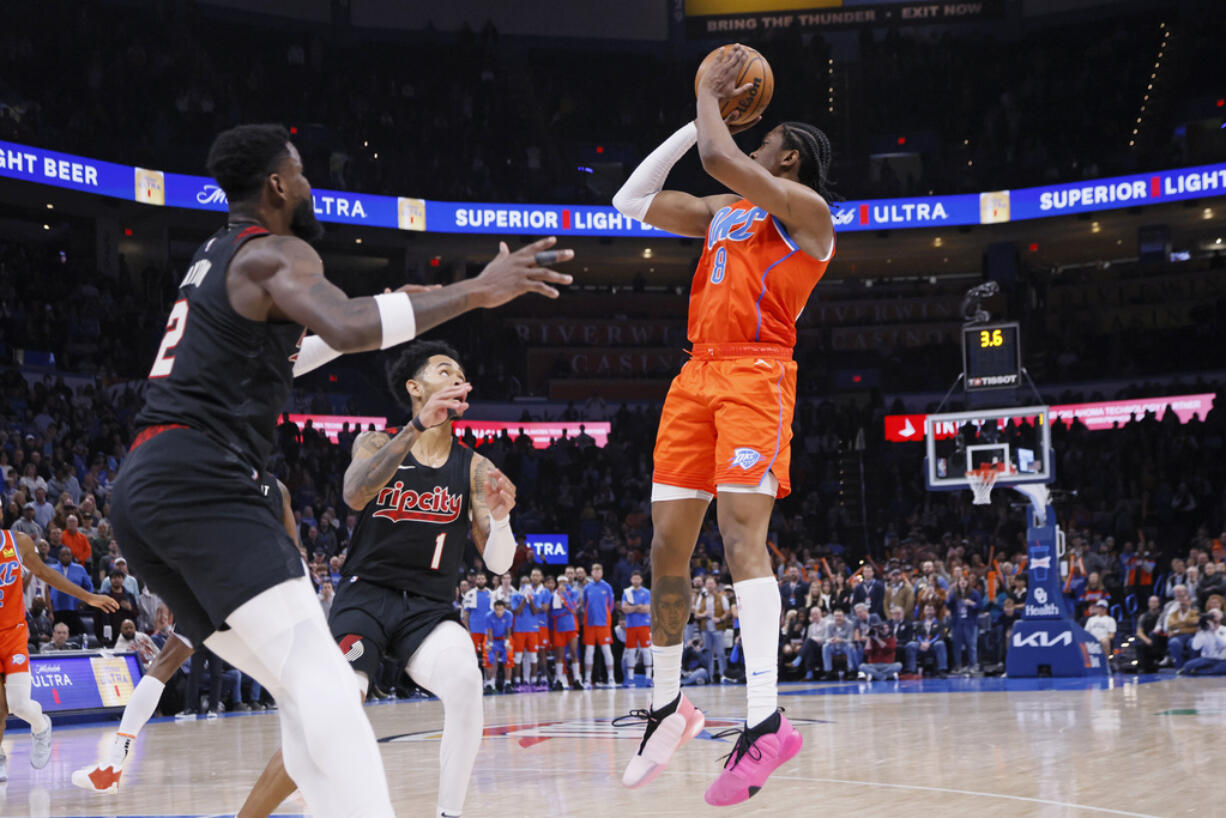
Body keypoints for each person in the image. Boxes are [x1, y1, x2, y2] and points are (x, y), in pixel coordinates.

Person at [106, 124, 570, 818]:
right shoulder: (272, 251)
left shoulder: (214, 256)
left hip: (144, 490)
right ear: (276, 186)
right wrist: (475, 290)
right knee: (326, 683)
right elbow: (353, 325)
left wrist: (407, 312)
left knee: (304, 696)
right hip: (204, 478)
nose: (310, 186)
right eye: (302, 173)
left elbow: (302, 351)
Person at [611, 44, 836, 804]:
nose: (751, 136)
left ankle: (766, 721)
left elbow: (718, 154)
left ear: (790, 158)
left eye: (764, 138)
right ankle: (670, 707)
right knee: (665, 553)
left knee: (742, 539)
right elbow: (630, 202)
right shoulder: (721, 213)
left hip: (756, 374)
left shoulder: (808, 215)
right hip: (695, 373)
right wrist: (691, 120)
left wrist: (710, 96)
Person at [236, 341, 518, 818]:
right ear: (415, 387)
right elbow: (353, 492)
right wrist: (417, 427)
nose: (455, 377)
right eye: (444, 369)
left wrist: (503, 519)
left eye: (460, 372)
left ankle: (449, 814)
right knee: (335, 712)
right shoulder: (374, 441)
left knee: (467, 682)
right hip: (365, 597)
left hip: (428, 609)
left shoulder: (474, 466)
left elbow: (497, 564)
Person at [73, 476, 299, 794]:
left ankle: (113, 764)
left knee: (162, 666)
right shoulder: (278, 489)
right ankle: (312, 766)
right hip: (256, 591)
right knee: (289, 681)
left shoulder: (214, 473)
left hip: (212, 586)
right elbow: (293, 554)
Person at [0, 529, 117, 781]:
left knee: (18, 704)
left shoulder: (17, 541)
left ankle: (41, 726)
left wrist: (88, 596)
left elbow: (45, 573)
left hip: (13, 633)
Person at [582, 563, 616, 687]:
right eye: (594, 571)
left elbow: (611, 606)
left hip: (603, 624)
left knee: (606, 650)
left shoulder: (607, 587)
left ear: (601, 573)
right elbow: (585, 603)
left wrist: (604, 617)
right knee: (589, 651)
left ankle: (611, 678)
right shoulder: (587, 588)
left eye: (599, 571)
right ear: (591, 573)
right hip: (590, 624)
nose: (596, 573)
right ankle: (587, 679)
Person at [550, 574, 583, 690]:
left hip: (571, 627)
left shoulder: (573, 593)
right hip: (559, 628)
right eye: (561, 582)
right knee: (559, 655)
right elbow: (553, 614)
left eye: (565, 582)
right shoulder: (553, 595)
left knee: (574, 653)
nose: (563, 584)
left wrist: (564, 595)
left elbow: (573, 608)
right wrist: (565, 611)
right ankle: (559, 679)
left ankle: (577, 679)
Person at [621, 570, 653, 686]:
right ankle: (630, 678)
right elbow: (624, 609)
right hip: (631, 625)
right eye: (634, 579)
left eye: (638, 579)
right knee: (631, 651)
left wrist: (632, 608)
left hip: (643, 625)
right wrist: (638, 606)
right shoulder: (627, 592)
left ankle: (649, 678)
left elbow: (646, 609)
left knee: (646, 651)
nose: (636, 581)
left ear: (641, 580)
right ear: (631, 580)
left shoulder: (646, 592)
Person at [907, 603, 949, 677]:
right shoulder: (919, 624)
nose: (929, 612)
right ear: (924, 611)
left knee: (940, 643)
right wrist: (921, 643)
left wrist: (929, 643)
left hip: (933, 646)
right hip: (921, 646)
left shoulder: (940, 624)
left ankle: (942, 670)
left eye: (931, 610)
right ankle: (911, 671)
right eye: (927, 610)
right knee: (910, 645)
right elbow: (917, 636)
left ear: (934, 611)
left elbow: (940, 636)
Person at [484, 598, 515, 691]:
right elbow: (489, 631)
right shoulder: (489, 616)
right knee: (490, 658)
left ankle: (508, 683)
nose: (499, 612)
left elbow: (508, 630)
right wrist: (490, 644)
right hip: (492, 638)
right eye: (497, 609)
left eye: (501, 609)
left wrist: (507, 642)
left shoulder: (509, 615)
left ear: (504, 609)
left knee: (509, 656)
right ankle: (490, 683)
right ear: (494, 609)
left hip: (504, 638)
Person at [858, 617, 901, 681]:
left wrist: (877, 639)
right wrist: (869, 638)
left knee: (899, 665)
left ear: (889, 629)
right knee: (862, 666)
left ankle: (875, 675)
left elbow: (888, 649)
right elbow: (867, 652)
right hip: (873, 665)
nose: (884, 630)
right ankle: (883, 676)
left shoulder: (891, 639)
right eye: (882, 628)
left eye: (886, 628)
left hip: (887, 665)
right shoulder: (872, 640)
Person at [1083, 599, 1117, 663]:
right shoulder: (1091, 619)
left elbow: (1112, 634)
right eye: (1099, 607)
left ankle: (1106, 662)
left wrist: (1105, 638)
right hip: (1091, 638)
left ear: (1106, 609)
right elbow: (1086, 632)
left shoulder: (1110, 620)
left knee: (1105, 642)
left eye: (1102, 608)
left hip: (1103, 639)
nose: (1100, 609)